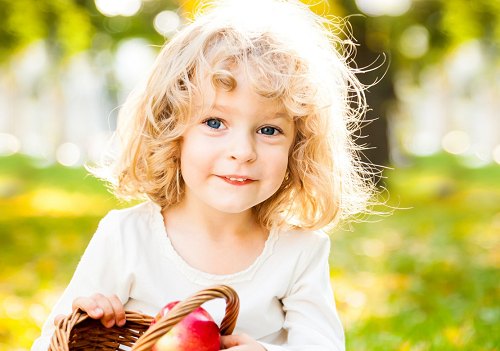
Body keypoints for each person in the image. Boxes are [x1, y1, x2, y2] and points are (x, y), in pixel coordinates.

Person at [32, 0, 379, 350]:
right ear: (172, 132)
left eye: (269, 130)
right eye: (215, 123)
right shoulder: (126, 237)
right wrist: (85, 321)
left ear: (297, 147)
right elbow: (50, 342)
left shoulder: (300, 250)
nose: (243, 151)